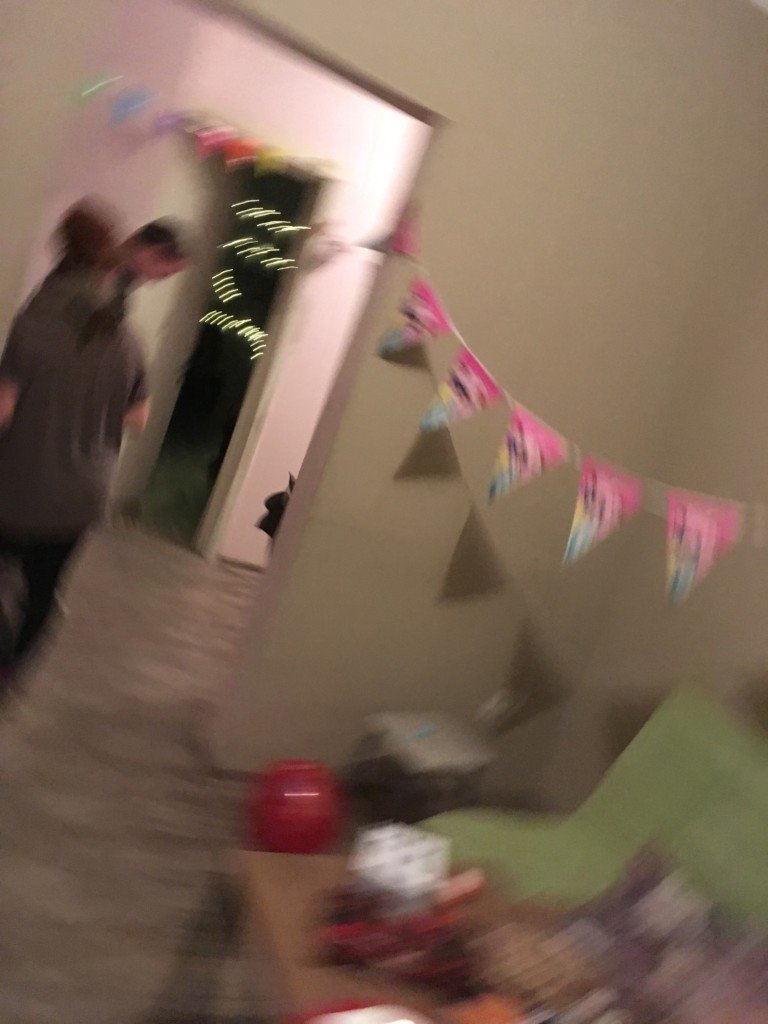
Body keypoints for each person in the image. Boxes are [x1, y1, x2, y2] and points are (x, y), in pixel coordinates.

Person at [0, 201, 188, 683]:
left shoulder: (34, 319)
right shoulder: (127, 337)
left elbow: (5, 408)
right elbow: (137, 418)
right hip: (85, 490)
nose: (162, 279)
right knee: (44, 590)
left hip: (22, 480)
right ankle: (9, 676)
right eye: (166, 269)